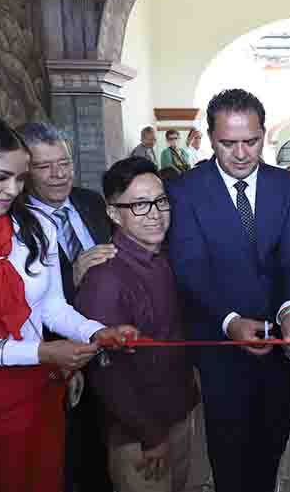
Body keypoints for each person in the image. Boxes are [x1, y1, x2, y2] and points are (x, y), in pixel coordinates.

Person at [167, 88, 290, 492]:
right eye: (228, 143)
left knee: (270, 452)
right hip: (220, 347)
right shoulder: (185, 191)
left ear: (263, 134)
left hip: (280, 345)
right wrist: (229, 321)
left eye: (250, 140)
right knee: (229, 457)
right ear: (210, 138)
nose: (241, 153)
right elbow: (190, 267)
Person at [0, 115, 134, 492]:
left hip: (42, 386)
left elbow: (51, 307)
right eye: (0, 177)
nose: (10, 190)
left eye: (19, 178)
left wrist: (98, 331)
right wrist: (43, 352)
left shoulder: (34, 227)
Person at [75, 157, 202, 492]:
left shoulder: (164, 257)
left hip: (177, 411)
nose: (156, 214)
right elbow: (107, 373)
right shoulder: (106, 278)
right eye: (140, 205)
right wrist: (150, 435)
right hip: (140, 435)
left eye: (160, 201)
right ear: (115, 213)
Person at [16, 120, 116, 492]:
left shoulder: (91, 202)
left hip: (109, 348)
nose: (59, 175)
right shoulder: (17, 221)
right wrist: (71, 275)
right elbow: (32, 305)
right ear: (25, 172)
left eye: (65, 163)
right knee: (71, 456)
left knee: (111, 449)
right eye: (45, 166)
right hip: (58, 360)